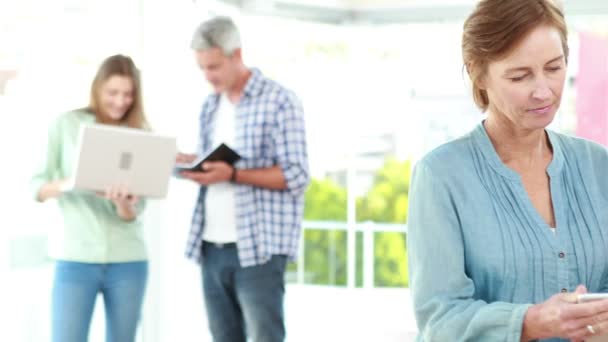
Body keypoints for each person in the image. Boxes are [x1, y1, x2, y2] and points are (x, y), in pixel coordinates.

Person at [407, 0, 608, 341]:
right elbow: (439, 321)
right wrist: (531, 321)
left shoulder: (598, 165)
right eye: (520, 75)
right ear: (478, 73)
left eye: (554, 68)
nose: (543, 90)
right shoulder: (441, 176)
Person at [177, 16, 309, 342]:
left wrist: (233, 174)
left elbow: (296, 174)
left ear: (237, 55)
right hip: (211, 246)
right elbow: (212, 161)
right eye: (203, 68)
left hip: (259, 249)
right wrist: (190, 163)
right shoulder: (210, 105)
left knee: (265, 336)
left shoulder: (280, 101)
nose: (209, 77)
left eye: (214, 67)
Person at [31, 54, 149, 342]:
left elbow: (136, 211)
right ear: (97, 88)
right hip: (75, 258)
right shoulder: (66, 124)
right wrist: (72, 183)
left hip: (128, 259)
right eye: (113, 92)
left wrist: (122, 201)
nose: (121, 101)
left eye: (128, 94)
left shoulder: (140, 135)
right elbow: (37, 186)